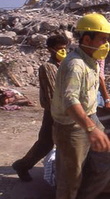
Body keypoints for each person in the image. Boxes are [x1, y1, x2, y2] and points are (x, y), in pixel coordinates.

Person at [51, 13, 110, 199]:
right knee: (70, 179)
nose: (107, 44)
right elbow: (70, 101)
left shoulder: (91, 61)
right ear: (87, 39)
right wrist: (90, 129)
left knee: (105, 162)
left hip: (90, 117)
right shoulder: (75, 65)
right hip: (71, 127)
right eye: (103, 39)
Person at [12, 34, 68, 182]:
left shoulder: (64, 65)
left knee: (50, 143)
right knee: (45, 144)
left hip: (65, 110)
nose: (63, 51)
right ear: (50, 50)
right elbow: (52, 95)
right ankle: (22, 165)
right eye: (59, 49)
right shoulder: (48, 67)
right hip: (54, 112)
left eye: (64, 48)